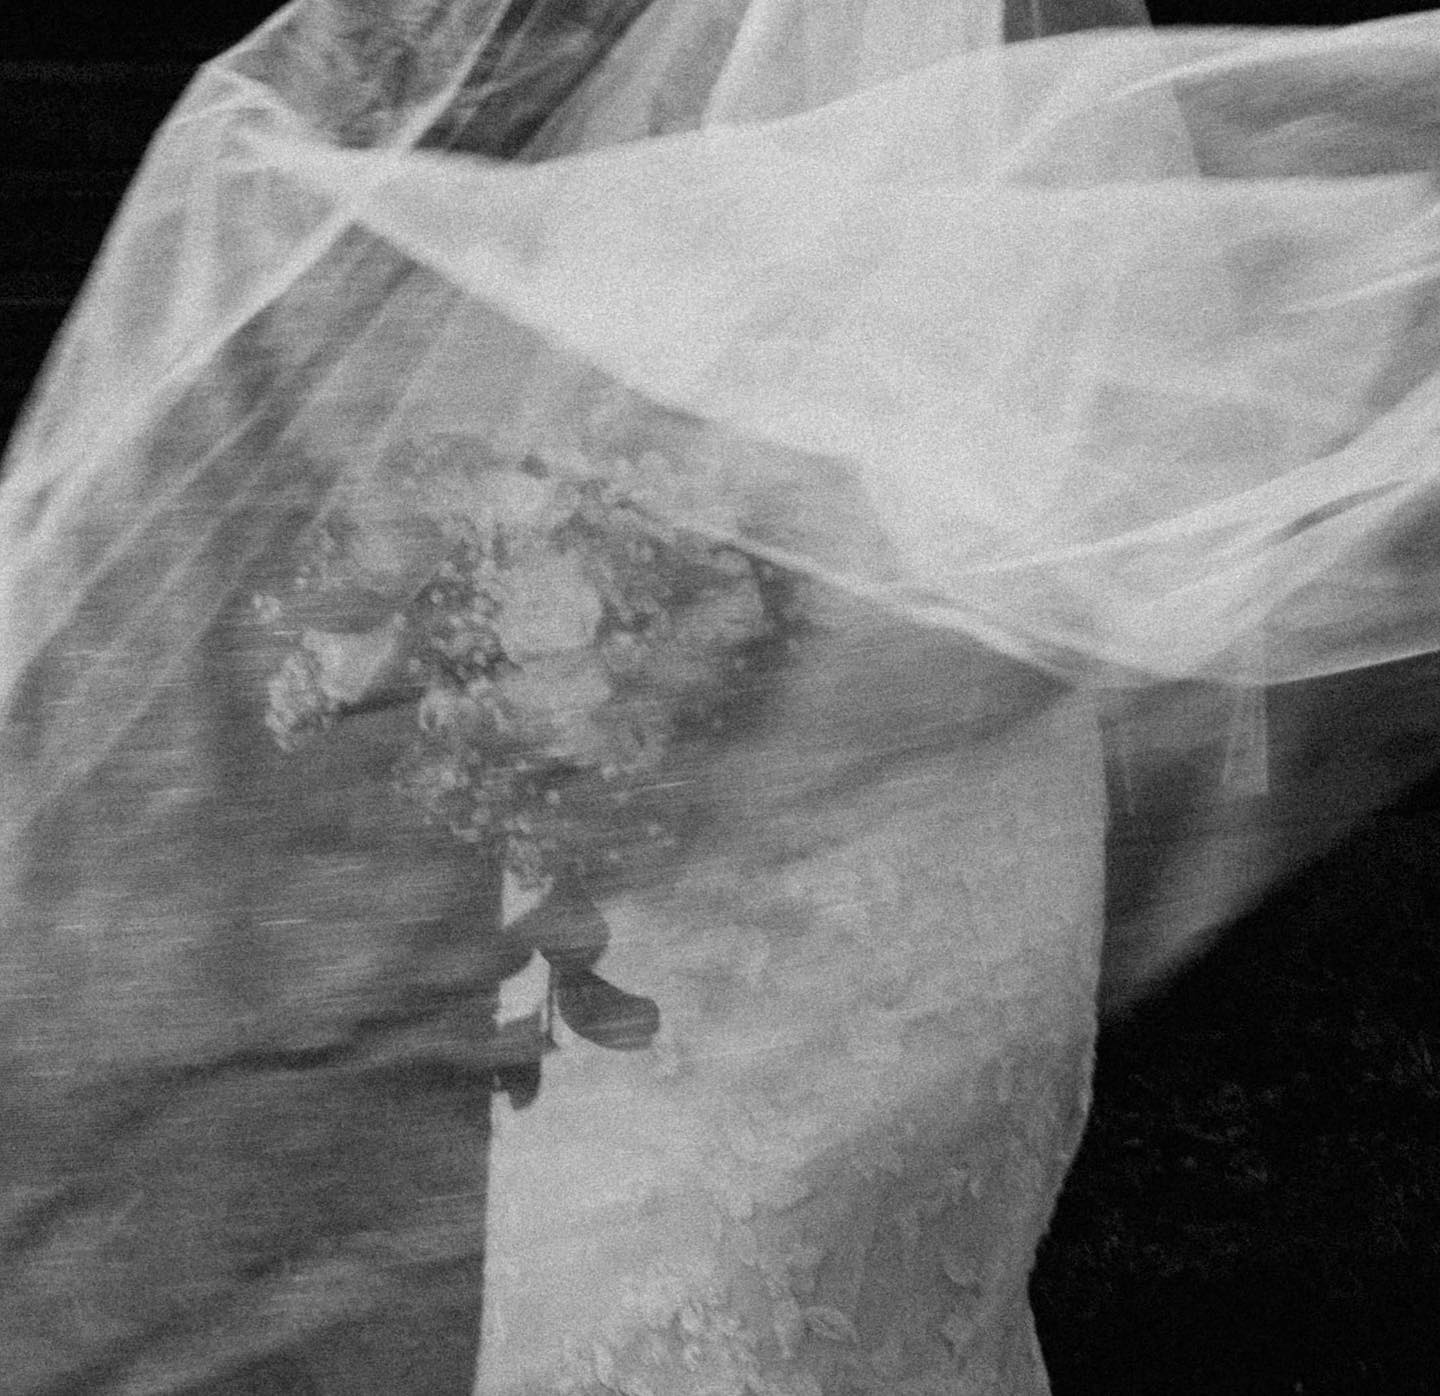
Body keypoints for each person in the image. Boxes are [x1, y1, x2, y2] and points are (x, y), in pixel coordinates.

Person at [4, 2, 1440, 1391]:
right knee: (653, 1259)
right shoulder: (671, 104)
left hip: (842, 785)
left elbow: (1090, 542)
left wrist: (666, 597)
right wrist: (554, 573)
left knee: (813, 1274)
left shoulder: (1042, 115)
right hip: (676, 783)